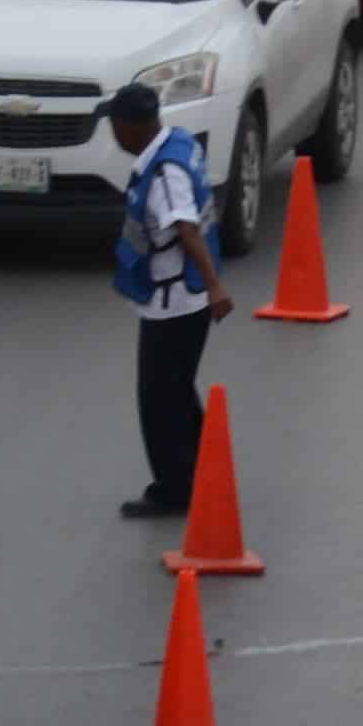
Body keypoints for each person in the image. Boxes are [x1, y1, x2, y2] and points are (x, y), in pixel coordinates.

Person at [108, 84, 221, 519]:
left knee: (158, 398)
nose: (113, 134)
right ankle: (202, 470)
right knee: (176, 390)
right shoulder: (178, 142)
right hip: (179, 298)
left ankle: (174, 490)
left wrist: (215, 287)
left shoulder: (164, 173)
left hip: (175, 301)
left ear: (130, 127)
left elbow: (187, 228)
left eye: (115, 125)